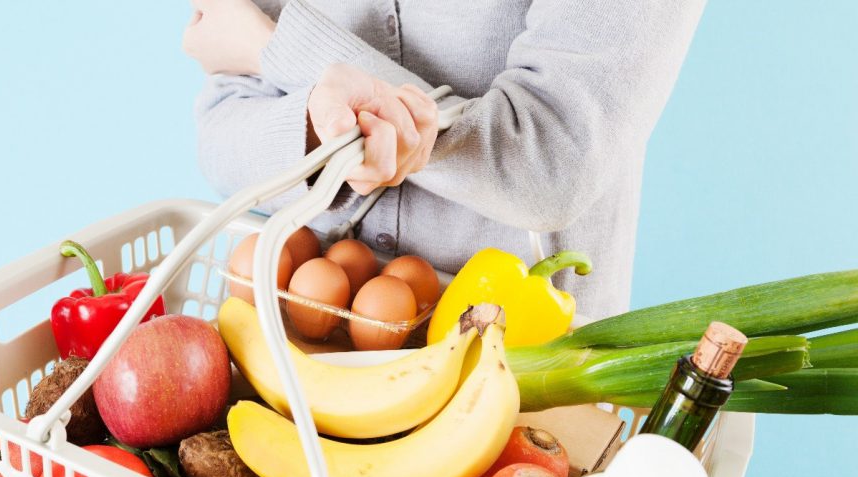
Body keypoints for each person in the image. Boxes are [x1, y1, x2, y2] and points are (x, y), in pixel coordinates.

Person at [183, 0, 705, 318]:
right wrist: (324, 132)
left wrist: (279, 49)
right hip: (295, 334)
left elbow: (552, 162)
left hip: (521, 365)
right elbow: (221, 129)